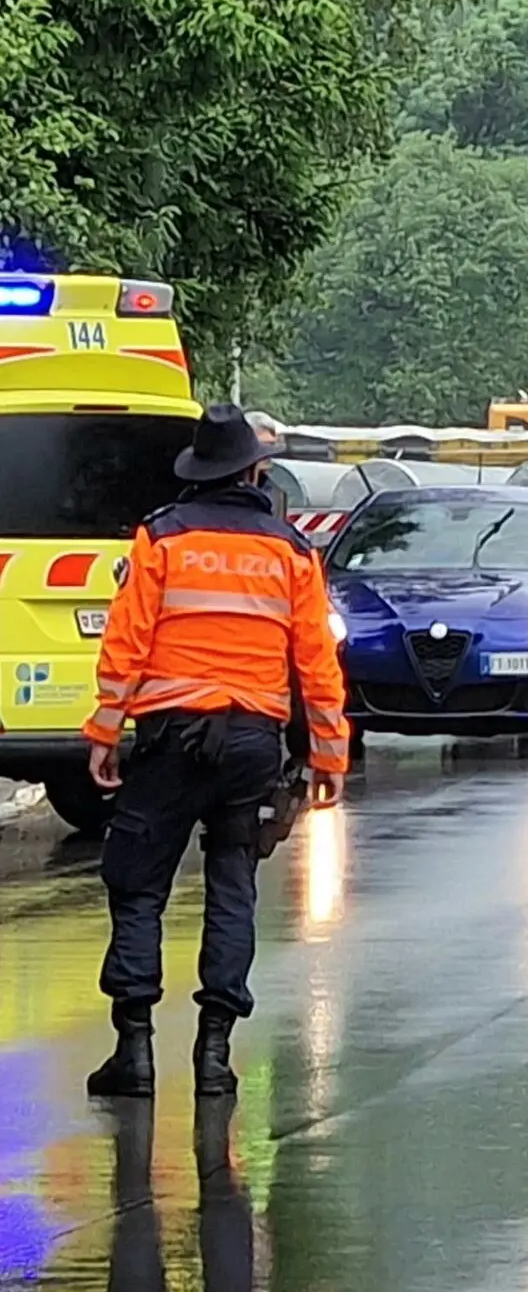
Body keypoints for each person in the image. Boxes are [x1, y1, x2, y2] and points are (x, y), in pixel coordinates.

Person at [82, 404, 350, 1099]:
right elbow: (316, 664)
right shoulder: (291, 551)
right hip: (253, 744)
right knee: (233, 886)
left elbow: (125, 644)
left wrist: (105, 731)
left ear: (199, 472)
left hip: (170, 740)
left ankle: (134, 1052)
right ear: (254, 473)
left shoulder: (162, 537)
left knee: (138, 883)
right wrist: (328, 756)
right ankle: (214, 1056)